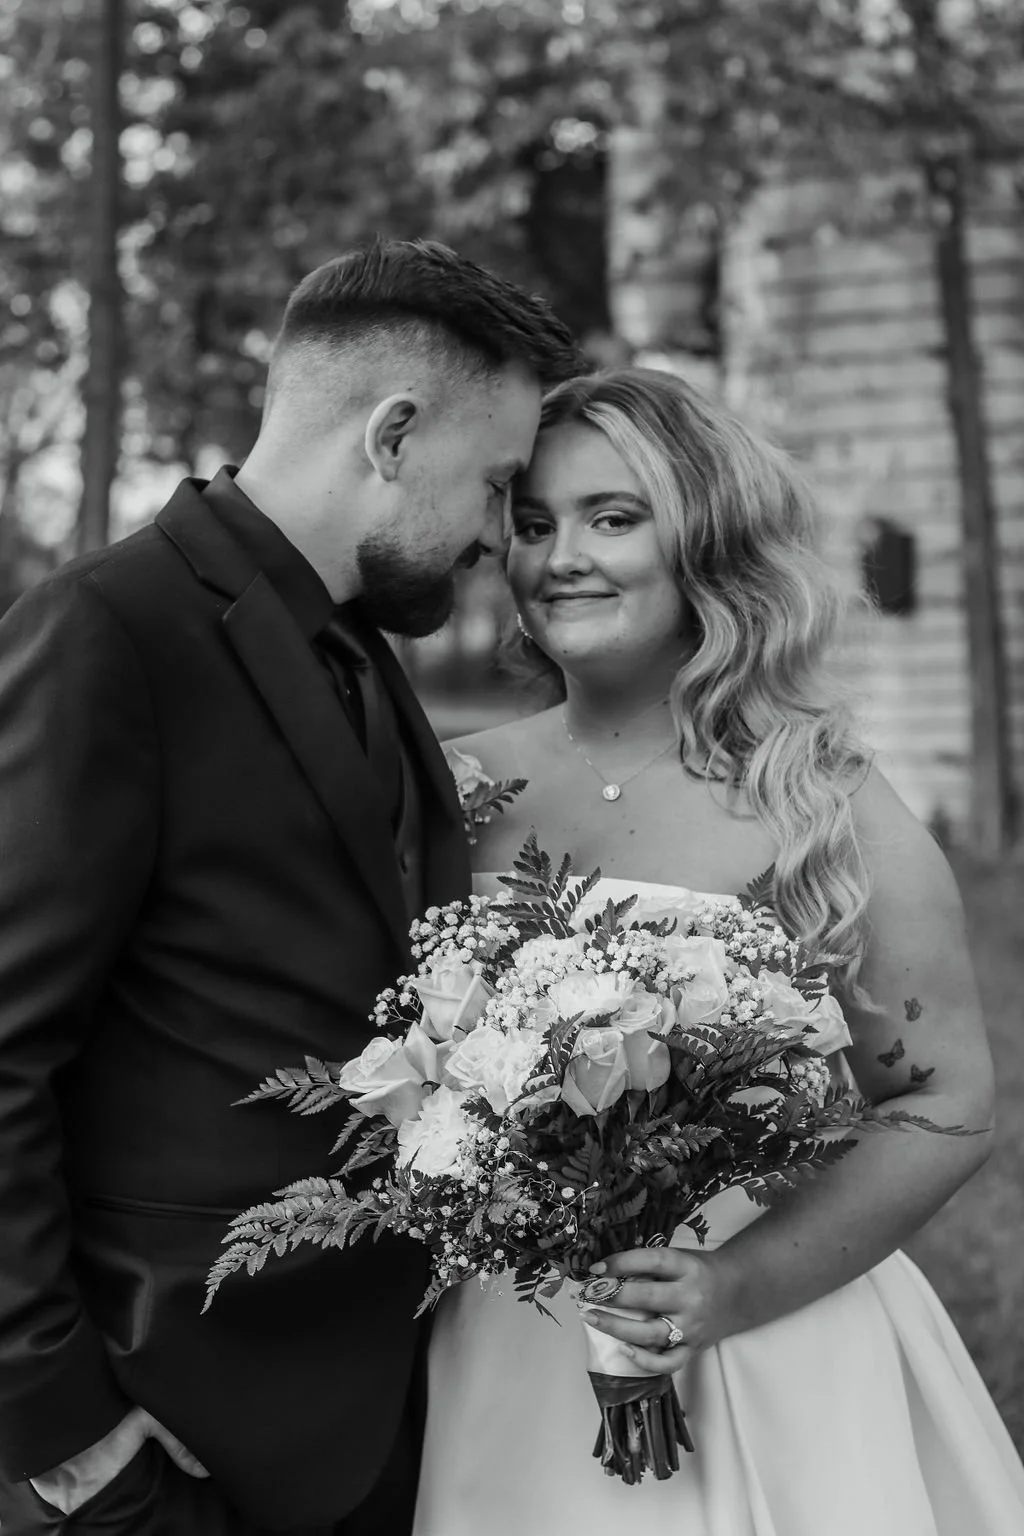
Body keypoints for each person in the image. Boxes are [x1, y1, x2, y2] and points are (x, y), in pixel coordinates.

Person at [0, 238, 582, 1536]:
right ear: (391, 433)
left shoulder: (366, 654)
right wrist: (64, 1434)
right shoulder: (109, 634)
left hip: (371, 1417)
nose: (500, 536)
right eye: (495, 484)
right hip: (160, 1437)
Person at [417, 366, 1024, 1535]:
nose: (559, 559)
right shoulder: (458, 788)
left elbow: (948, 1099)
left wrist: (728, 1287)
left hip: (764, 1341)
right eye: (532, 524)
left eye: (613, 517)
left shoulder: (817, 799)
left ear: (705, 537)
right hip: (504, 1337)